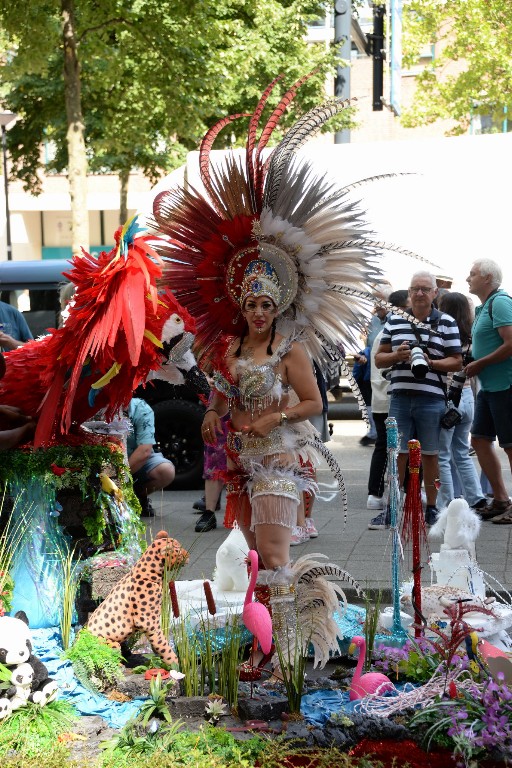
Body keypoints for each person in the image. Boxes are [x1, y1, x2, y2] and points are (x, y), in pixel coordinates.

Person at [374, 270, 463, 526]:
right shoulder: (394, 320)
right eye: (415, 289)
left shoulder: (446, 322)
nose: (420, 293)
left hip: (431, 399)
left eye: (425, 289)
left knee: (431, 455)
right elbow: (379, 358)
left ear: (435, 293)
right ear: (409, 293)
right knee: (396, 454)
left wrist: (430, 362)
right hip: (400, 397)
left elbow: (456, 361)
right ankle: (393, 507)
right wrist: (397, 356)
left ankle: (432, 508)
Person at [465, 259, 512, 523]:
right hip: (489, 387)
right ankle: (501, 498)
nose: (467, 278)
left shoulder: (501, 302)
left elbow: (511, 342)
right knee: (480, 440)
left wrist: (480, 363)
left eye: (472, 274)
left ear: (487, 278)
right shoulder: (485, 307)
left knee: (510, 445)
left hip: (505, 385)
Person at [436, 292, 486, 511]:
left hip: (448, 397)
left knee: (443, 454)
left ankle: (446, 501)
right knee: (462, 453)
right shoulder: (471, 337)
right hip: (467, 397)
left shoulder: (444, 335)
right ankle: (476, 498)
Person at [367, 289, 411, 528]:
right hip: (386, 400)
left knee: (386, 446)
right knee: (386, 446)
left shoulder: (390, 331)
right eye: (407, 307)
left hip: (386, 398)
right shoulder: (388, 333)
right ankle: (376, 493)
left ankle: (378, 493)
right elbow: (381, 368)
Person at [126, 397, 175, 517]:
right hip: (106, 461)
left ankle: (137, 496)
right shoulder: (96, 405)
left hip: (134, 461)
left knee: (166, 471)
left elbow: (145, 450)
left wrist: (119, 477)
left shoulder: (140, 407)